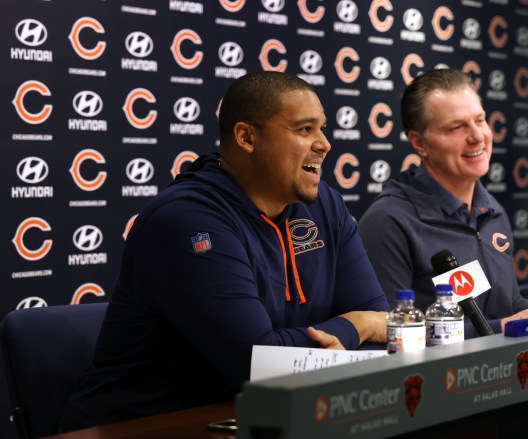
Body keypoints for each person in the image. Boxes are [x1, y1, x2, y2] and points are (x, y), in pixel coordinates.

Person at [60, 71, 388, 431]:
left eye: (323, 128)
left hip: (262, 418)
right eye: (305, 129)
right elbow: (256, 364)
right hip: (145, 427)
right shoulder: (187, 219)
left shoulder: (325, 205)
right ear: (247, 137)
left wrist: (365, 326)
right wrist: (356, 326)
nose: (324, 144)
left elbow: (383, 325)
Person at [358, 68, 528, 339]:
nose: (477, 136)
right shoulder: (389, 222)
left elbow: (507, 307)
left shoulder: (491, 211)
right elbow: (389, 333)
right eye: (457, 127)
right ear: (419, 142)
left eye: (480, 120)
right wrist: (503, 328)